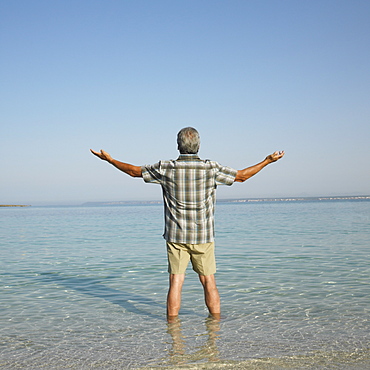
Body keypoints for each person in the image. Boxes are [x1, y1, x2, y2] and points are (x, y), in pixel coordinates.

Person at [91, 127, 284, 320]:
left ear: (178, 146)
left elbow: (134, 172)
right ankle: (215, 330)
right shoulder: (211, 168)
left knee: (176, 282)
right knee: (209, 281)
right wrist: (267, 161)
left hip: (176, 236)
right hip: (203, 236)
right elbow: (242, 176)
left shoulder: (166, 168)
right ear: (198, 146)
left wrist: (110, 160)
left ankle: (173, 334)